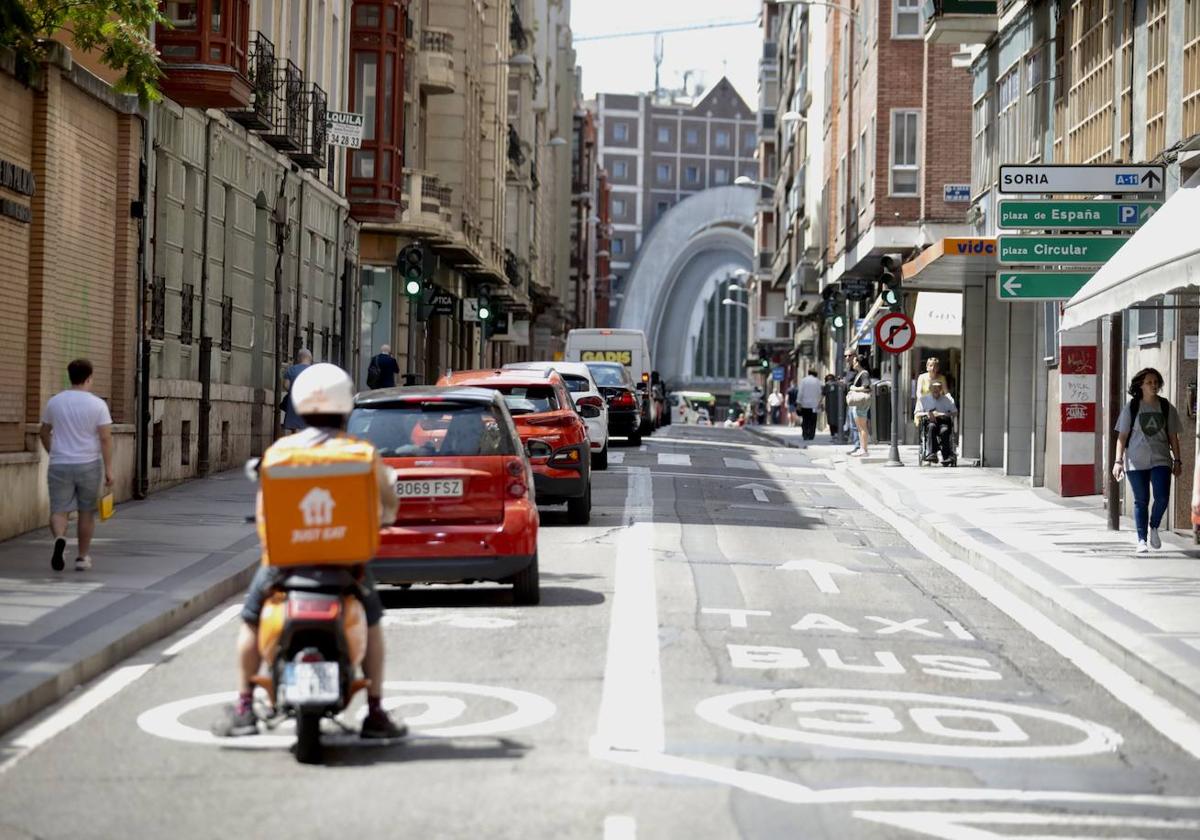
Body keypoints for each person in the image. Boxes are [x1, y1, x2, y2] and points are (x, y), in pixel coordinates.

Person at [220, 363, 405, 739]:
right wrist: (382, 518)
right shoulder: (362, 453)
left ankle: (243, 706)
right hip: (346, 566)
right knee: (372, 622)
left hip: (285, 566)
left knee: (251, 619)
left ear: (300, 404)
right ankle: (374, 709)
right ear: (345, 406)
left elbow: (264, 513)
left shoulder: (280, 453)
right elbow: (387, 504)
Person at [38, 359, 113, 572]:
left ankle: (60, 539)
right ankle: (82, 557)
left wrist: (54, 452)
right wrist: (109, 468)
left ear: (69, 377)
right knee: (86, 512)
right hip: (88, 464)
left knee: (59, 509)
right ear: (89, 378)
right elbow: (106, 438)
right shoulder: (98, 405)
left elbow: (43, 431)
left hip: (60, 463)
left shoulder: (55, 402)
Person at [1113, 367, 1183, 554]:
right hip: (1136, 460)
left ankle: (1154, 526)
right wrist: (1118, 461)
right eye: (1149, 382)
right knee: (1141, 500)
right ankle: (1142, 540)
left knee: (1162, 497)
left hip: (1161, 458)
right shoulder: (1132, 407)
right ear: (1141, 385)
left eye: (1156, 382)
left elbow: (1173, 437)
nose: (1153, 385)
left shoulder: (1166, 406)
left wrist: (1178, 460)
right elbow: (1122, 436)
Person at [915, 380, 958, 464]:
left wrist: (942, 414)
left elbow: (955, 412)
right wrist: (927, 414)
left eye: (938, 387)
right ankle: (932, 453)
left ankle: (947, 456)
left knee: (944, 431)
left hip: (943, 421)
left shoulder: (947, 400)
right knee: (931, 427)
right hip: (930, 421)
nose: (936, 389)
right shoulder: (923, 399)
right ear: (930, 389)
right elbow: (917, 414)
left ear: (941, 389)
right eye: (934, 387)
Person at [281, 349, 313, 433]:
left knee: (294, 429)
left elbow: (286, 385)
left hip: (294, 405)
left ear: (299, 358)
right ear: (310, 358)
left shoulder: (291, 370)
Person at [847, 353, 872, 457]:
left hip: (861, 403)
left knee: (862, 427)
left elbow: (867, 387)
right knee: (859, 427)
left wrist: (854, 388)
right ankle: (862, 448)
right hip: (858, 404)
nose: (853, 363)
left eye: (855, 361)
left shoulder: (864, 373)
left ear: (859, 362)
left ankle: (864, 449)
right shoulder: (860, 373)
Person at [797, 369, 823, 441]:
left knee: (805, 420)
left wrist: (798, 402)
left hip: (805, 404)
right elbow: (820, 393)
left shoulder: (804, 381)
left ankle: (805, 434)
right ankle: (811, 435)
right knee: (813, 421)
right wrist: (820, 402)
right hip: (814, 405)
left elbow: (800, 392)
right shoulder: (818, 382)